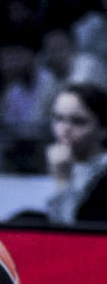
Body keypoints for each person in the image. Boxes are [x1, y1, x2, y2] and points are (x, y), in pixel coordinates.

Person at [45, 82, 107, 224]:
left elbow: (69, 230)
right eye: (59, 119)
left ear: (103, 129)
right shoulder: (61, 163)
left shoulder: (103, 177)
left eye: (78, 122)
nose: (65, 129)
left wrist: (63, 181)